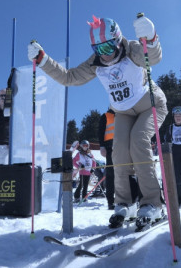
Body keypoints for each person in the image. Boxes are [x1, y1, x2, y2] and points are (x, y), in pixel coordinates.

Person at [27, 14, 168, 228]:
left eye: (108, 47)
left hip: (150, 104)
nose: (105, 54)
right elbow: (69, 77)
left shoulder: (131, 49)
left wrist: (150, 37)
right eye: (99, 49)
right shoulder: (95, 63)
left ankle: (153, 204)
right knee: (118, 152)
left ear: (118, 40)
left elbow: (153, 57)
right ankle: (125, 203)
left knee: (139, 142)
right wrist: (43, 61)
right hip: (123, 112)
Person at [99, 108, 116, 210]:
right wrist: (102, 146)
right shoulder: (106, 116)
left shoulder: (124, 114)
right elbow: (101, 131)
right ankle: (111, 201)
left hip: (122, 147)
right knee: (110, 175)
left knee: (124, 173)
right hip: (110, 148)